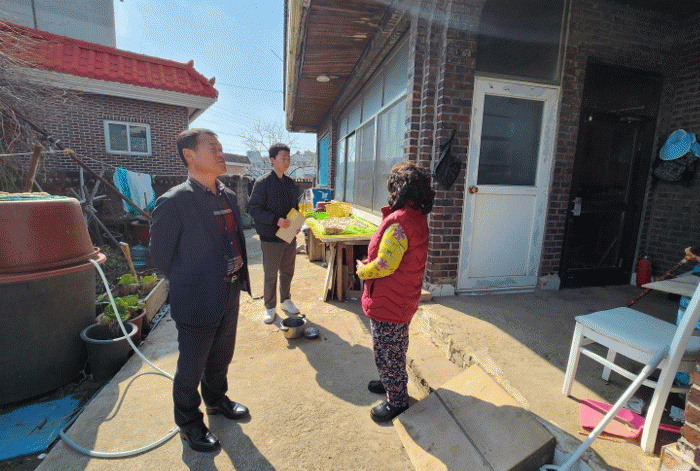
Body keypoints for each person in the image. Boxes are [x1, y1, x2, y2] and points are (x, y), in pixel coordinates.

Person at [149, 129, 252, 453]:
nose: (221, 153)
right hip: (196, 298)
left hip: (230, 291)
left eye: (221, 147)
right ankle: (189, 422)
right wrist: (197, 279)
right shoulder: (175, 201)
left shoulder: (228, 195)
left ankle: (217, 400)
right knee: (191, 366)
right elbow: (160, 259)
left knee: (222, 356)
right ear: (189, 155)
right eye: (213, 148)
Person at [355, 161, 435, 423]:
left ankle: (397, 401)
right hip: (401, 298)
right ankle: (389, 381)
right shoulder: (417, 217)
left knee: (388, 352)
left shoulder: (400, 223)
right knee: (395, 347)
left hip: (389, 301)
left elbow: (385, 265)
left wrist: (363, 270)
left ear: (399, 190)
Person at [248, 143, 301, 324]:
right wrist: (275, 220)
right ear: (272, 159)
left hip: (289, 235)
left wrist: (296, 224)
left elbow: (295, 207)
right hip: (270, 237)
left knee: (287, 271)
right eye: (283, 158)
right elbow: (253, 208)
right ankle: (270, 307)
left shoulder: (290, 183)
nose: (287, 161)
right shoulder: (262, 183)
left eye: (288, 158)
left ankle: (286, 300)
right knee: (270, 274)